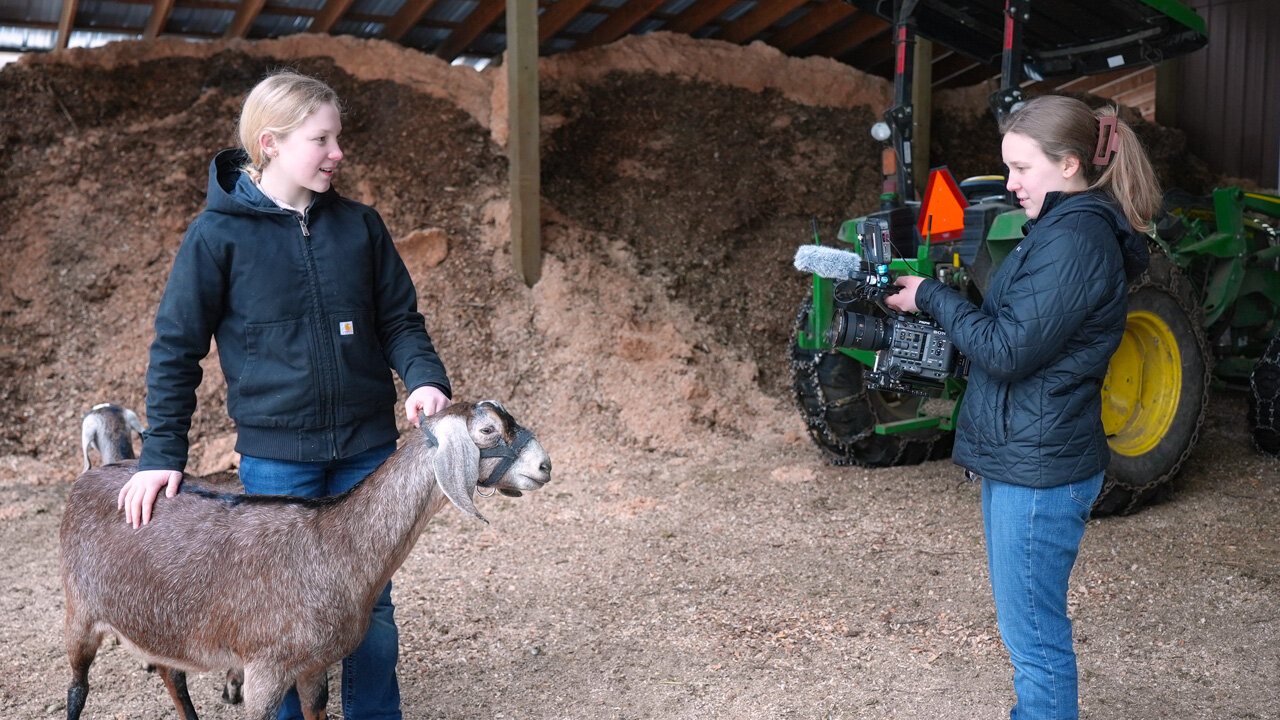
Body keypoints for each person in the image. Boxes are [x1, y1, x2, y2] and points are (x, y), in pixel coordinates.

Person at [119, 70, 452, 720]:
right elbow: (176, 350)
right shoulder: (216, 238)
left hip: (367, 453)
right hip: (278, 465)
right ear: (270, 143)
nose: (338, 152)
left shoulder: (360, 227)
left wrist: (425, 378)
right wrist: (162, 451)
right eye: (322, 138)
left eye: (338, 137)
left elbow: (401, 322)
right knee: (278, 619)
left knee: (369, 609)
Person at [886, 95, 1159, 720]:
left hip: (1040, 468)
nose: (1010, 186)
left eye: (1021, 169)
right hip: (1024, 454)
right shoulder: (1060, 230)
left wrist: (932, 296)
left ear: (1068, 165)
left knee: (1033, 637)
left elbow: (1007, 350)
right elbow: (1014, 334)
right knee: (1026, 629)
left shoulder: (1076, 240)